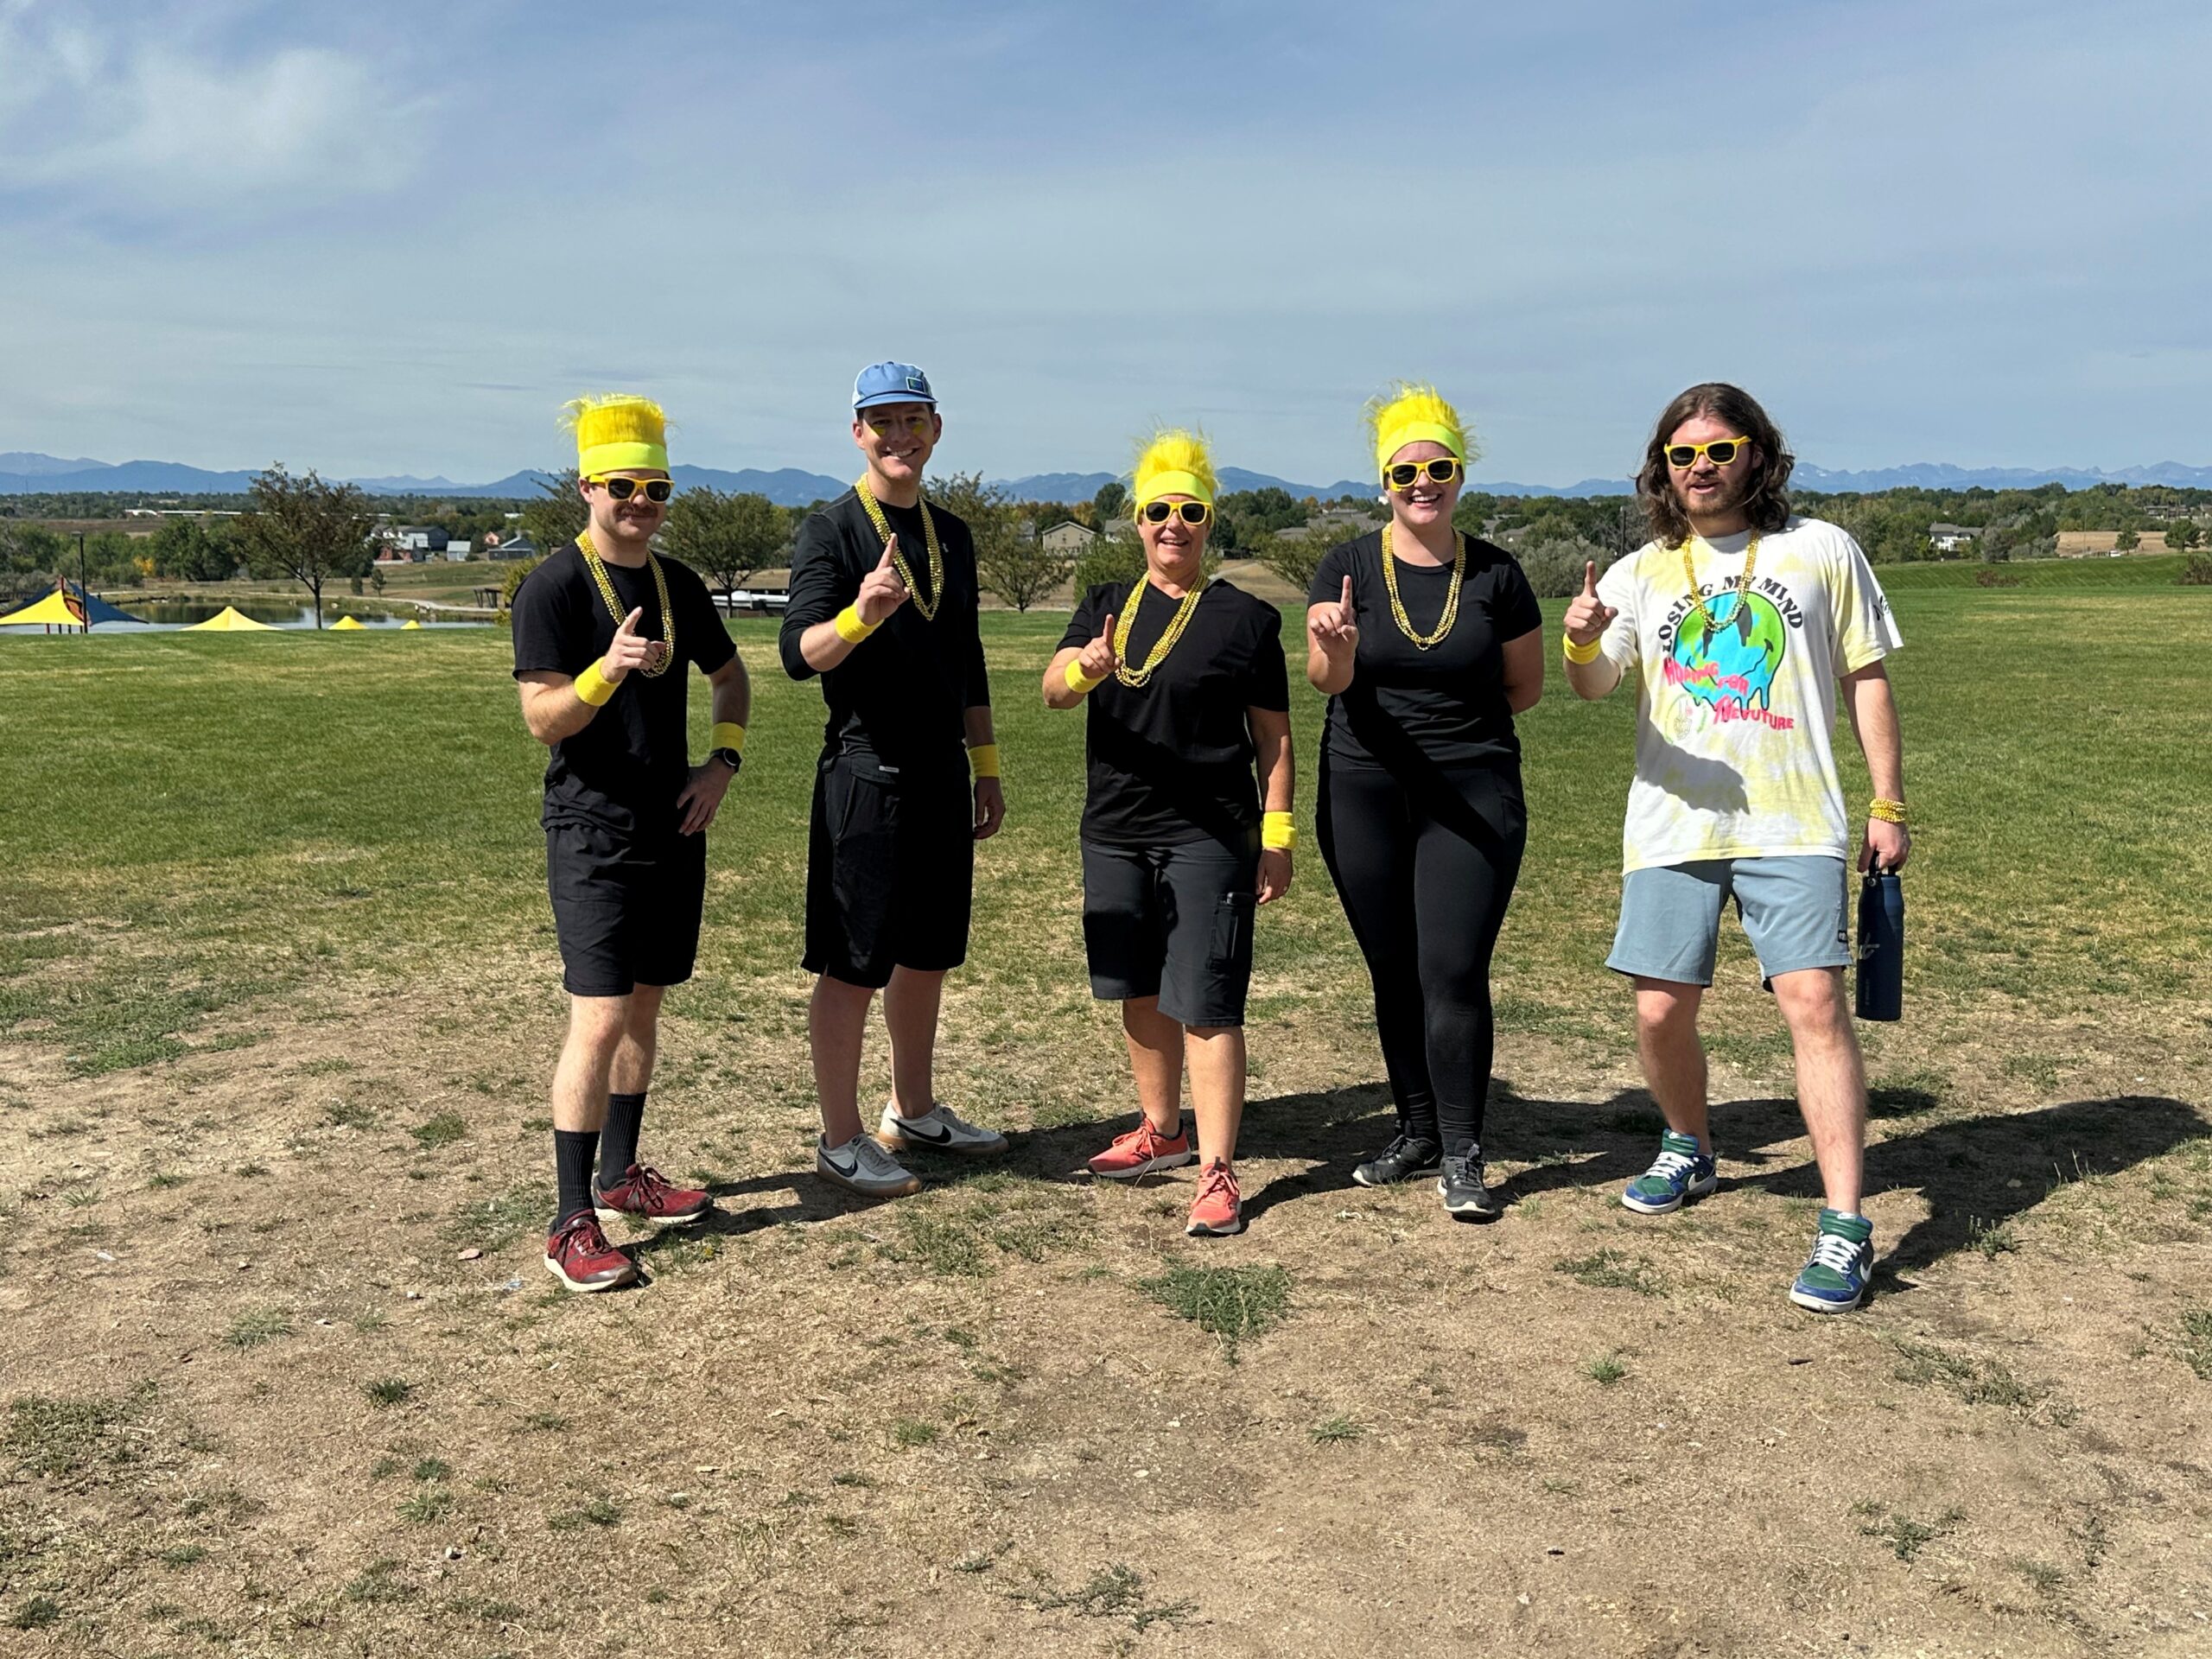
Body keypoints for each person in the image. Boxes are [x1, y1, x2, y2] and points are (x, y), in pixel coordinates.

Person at [1562, 381, 1909, 1314]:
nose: (1701, 467)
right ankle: (1689, 1144)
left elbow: (1866, 676)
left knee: (1814, 1004)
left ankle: (1844, 1225)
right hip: (1672, 822)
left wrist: (1887, 802)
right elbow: (1595, 688)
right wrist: (1581, 642)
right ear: (1662, 469)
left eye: (1719, 449)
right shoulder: (1639, 572)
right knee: (1657, 1011)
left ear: (1757, 454)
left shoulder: (1820, 549)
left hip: (1792, 820)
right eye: (1683, 455)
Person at [512, 395, 751, 1292]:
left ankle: (620, 1176)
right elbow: (542, 719)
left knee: (645, 1008)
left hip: (671, 823)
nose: (641, 503)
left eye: (656, 488)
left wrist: (721, 762)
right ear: (587, 488)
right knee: (601, 1014)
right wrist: (605, 672)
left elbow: (731, 676)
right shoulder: (552, 587)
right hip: (593, 829)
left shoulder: (678, 584)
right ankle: (570, 1220)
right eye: (622, 486)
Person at [1043, 430, 1295, 1238]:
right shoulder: (1105, 604)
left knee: (1208, 1000)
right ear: (1138, 522)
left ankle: (1218, 1169)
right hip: (1115, 832)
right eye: (1158, 511)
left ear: (1209, 521)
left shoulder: (1246, 619)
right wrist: (1084, 667)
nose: (1173, 525)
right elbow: (1052, 693)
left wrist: (1278, 835)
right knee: (1138, 987)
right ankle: (1162, 1130)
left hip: (1210, 836)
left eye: (1190, 511)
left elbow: (1274, 740)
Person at [1305, 384, 1542, 1217]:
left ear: (1460, 476)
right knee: (1393, 968)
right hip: (1362, 790)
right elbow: (1325, 679)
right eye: (1405, 471)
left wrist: (1453, 731)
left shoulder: (1499, 573)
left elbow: (1524, 688)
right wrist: (1338, 648)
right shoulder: (1344, 567)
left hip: (1470, 794)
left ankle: (1464, 1149)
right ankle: (1416, 1130)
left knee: (1451, 969)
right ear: (1383, 484)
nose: (1422, 483)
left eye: (1438, 468)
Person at [780, 362, 1008, 1199]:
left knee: (928, 954)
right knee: (853, 965)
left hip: (943, 777)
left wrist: (985, 766)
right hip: (865, 775)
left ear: (936, 429)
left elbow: (967, 659)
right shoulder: (830, 531)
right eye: (882, 422)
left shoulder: (953, 534)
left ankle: (912, 1111)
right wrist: (859, 615)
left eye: (913, 420)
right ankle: (841, 1140)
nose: (899, 436)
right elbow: (797, 655)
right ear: (858, 434)